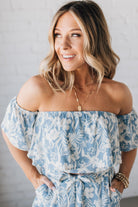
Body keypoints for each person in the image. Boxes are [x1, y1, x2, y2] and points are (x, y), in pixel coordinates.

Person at [1, 0, 138, 206]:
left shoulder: (118, 93)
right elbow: (10, 131)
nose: (62, 45)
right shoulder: (38, 88)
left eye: (75, 34)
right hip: (54, 199)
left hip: (102, 200)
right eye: (57, 34)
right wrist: (34, 178)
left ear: (94, 38)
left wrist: (122, 178)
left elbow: (131, 141)